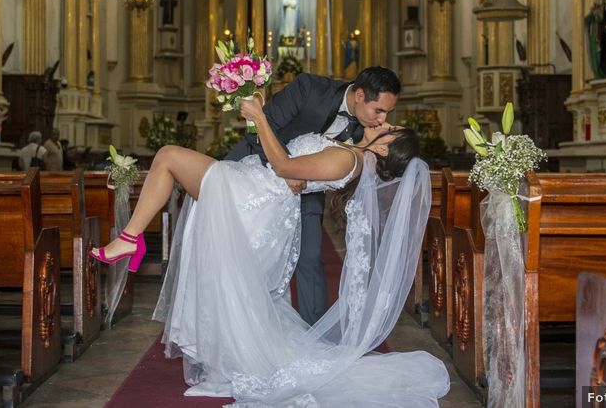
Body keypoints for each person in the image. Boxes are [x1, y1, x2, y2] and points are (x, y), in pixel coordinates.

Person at [89, 96, 448, 405]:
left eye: (390, 128)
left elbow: (284, 166)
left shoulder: (348, 161)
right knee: (228, 284)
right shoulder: (351, 150)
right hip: (254, 192)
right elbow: (292, 160)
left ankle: (130, 239)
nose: (385, 122)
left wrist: (259, 117)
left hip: (255, 200)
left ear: (384, 148)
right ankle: (223, 363)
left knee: (168, 156)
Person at [227, 66, 400, 325]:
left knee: (309, 257)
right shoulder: (309, 88)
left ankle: (315, 335)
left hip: (307, 192)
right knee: (240, 252)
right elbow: (262, 125)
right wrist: (284, 169)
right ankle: (237, 322)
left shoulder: (367, 132)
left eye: (387, 112)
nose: (381, 119)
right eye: (379, 110)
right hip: (257, 174)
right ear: (360, 95)